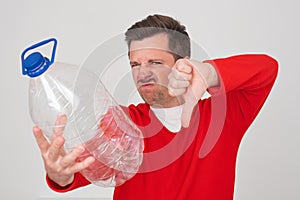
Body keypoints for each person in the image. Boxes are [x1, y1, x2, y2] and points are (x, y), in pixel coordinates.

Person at [32, 14, 278, 199]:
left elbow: (267, 68)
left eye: (155, 61)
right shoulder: (121, 122)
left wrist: (208, 71)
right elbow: (82, 169)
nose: (142, 73)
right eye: (135, 64)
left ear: (182, 64)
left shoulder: (222, 117)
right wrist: (60, 175)